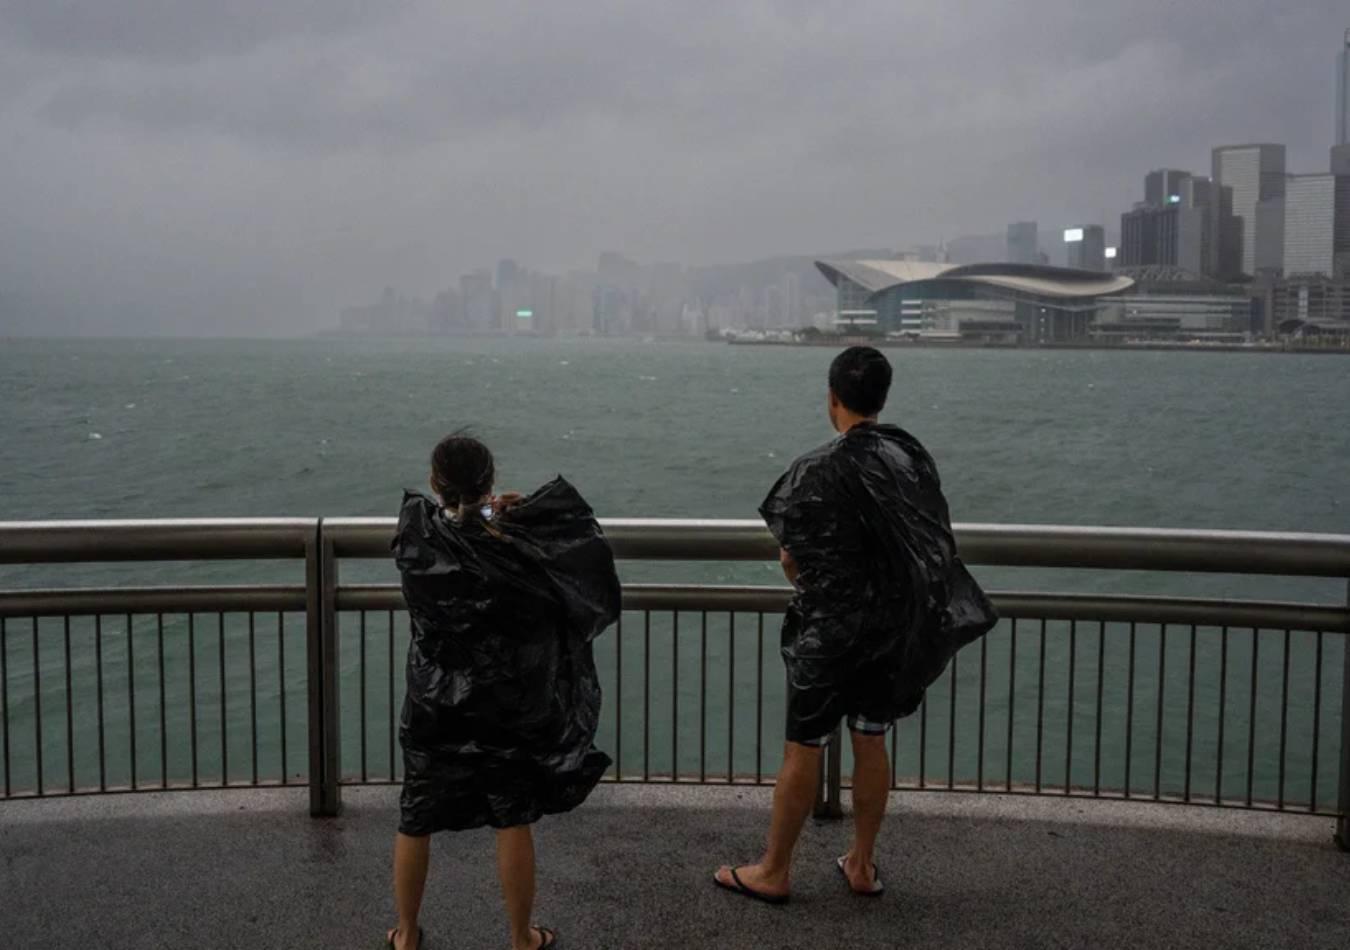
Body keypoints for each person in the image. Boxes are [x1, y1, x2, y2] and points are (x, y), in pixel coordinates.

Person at [715, 346, 997, 904]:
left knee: (804, 747)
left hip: (831, 632)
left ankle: (774, 870)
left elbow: (793, 558)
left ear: (832, 398)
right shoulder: (909, 457)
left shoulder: (815, 470)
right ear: (882, 398)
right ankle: (862, 863)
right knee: (871, 739)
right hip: (893, 629)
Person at [386, 432, 621, 950]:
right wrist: (500, 515)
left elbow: (441, 522)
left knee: (416, 815)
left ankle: (405, 934)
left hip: (431, 701)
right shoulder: (512, 548)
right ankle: (521, 937)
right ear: (489, 482)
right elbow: (574, 573)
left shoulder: (416, 535)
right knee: (512, 817)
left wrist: (479, 511)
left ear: (434, 483)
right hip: (503, 704)